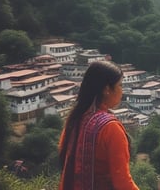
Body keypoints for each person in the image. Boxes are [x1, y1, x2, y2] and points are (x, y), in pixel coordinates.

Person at [59, 61, 139, 190]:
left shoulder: (75, 119)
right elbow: (122, 182)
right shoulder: (110, 128)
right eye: (120, 85)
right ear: (107, 89)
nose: (121, 91)